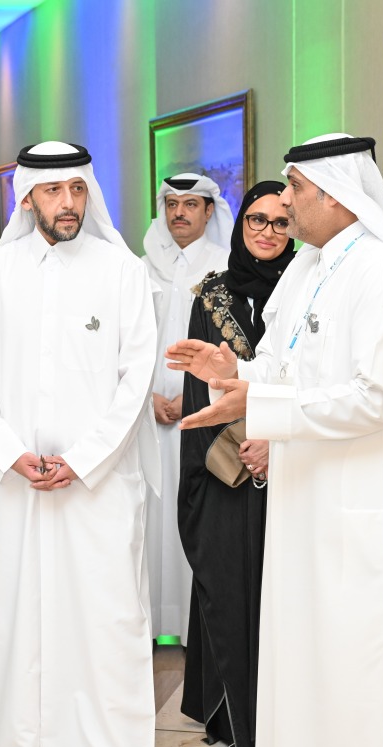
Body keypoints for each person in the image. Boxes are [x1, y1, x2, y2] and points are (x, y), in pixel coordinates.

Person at [167, 133, 383, 747]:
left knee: (359, 679)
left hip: (359, 518)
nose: (284, 202)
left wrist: (263, 400)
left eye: (293, 188)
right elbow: (285, 366)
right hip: (303, 509)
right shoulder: (311, 269)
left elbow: (372, 397)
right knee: (306, 670)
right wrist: (233, 371)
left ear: (333, 192)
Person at [0, 141, 159, 747]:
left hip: (96, 489)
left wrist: (84, 457)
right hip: (16, 488)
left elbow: (136, 377)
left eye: (76, 190)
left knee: (103, 624)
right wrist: (9, 451)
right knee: (14, 623)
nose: (67, 203)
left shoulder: (121, 271)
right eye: (52, 191)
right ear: (28, 196)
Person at [177, 180, 295, 747]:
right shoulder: (213, 295)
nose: (268, 232)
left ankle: (287, 716)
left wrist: (276, 441)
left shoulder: (307, 287)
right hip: (227, 471)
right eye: (257, 220)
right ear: (241, 225)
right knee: (229, 589)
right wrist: (241, 450)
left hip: (297, 465)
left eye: (279, 221)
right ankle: (235, 719)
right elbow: (201, 389)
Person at [142, 171, 232, 643]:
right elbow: (130, 343)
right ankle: (155, 624)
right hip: (148, 415)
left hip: (205, 414)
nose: (179, 213)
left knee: (196, 514)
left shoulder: (225, 265)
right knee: (151, 517)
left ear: (208, 212)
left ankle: (194, 627)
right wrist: (146, 396)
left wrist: (192, 396)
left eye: (190, 205)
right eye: (172, 204)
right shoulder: (142, 265)